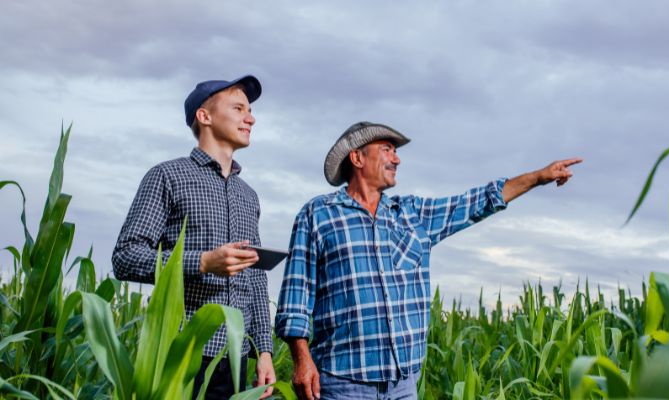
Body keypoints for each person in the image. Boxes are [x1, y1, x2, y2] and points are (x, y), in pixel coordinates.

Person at [274, 121, 581, 399]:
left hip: (404, 386)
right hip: (342, 384)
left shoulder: (412, 214)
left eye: (395, 152)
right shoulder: (318, 215)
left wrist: (539, 177)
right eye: (387, 150)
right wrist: (302, 360)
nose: (396, 159)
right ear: (357, 158)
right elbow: (295, 299)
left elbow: (477, 201)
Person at [113, 76, 275, 399]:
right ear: (205, 117)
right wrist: (202, 262)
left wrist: (265, 351)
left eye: (251, 110)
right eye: (239, 108)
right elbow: (125, 257)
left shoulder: (249, 196)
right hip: (182, 353)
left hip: (236, 356)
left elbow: (255, 277)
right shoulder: (166, 177)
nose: (251, 117)